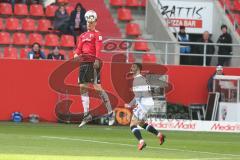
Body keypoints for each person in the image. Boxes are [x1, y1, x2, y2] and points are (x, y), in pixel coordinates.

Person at [73, 10, 115, 127]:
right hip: (83, 63)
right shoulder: (82, 36)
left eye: (91, 22)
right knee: (82, 87)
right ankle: (87, 115)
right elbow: (78, 49)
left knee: (97, 88)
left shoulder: (97, 34)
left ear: (95, 23)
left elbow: (98, 47)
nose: (89, 24)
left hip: (93, 62)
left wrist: (97, 59)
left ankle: (110, 112)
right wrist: (76, 54)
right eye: (88, 22)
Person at [124, 63, 165, 150]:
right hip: (149, 104)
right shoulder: (142, 78)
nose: (131, 68)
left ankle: (141, 142)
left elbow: (138, 96)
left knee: (132, 124)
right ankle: (159, 135)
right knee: (141, 123)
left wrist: (130, 104)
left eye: (134, 67)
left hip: (144, 105)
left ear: (138, 69)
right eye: (131, 66)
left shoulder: (137, 80)